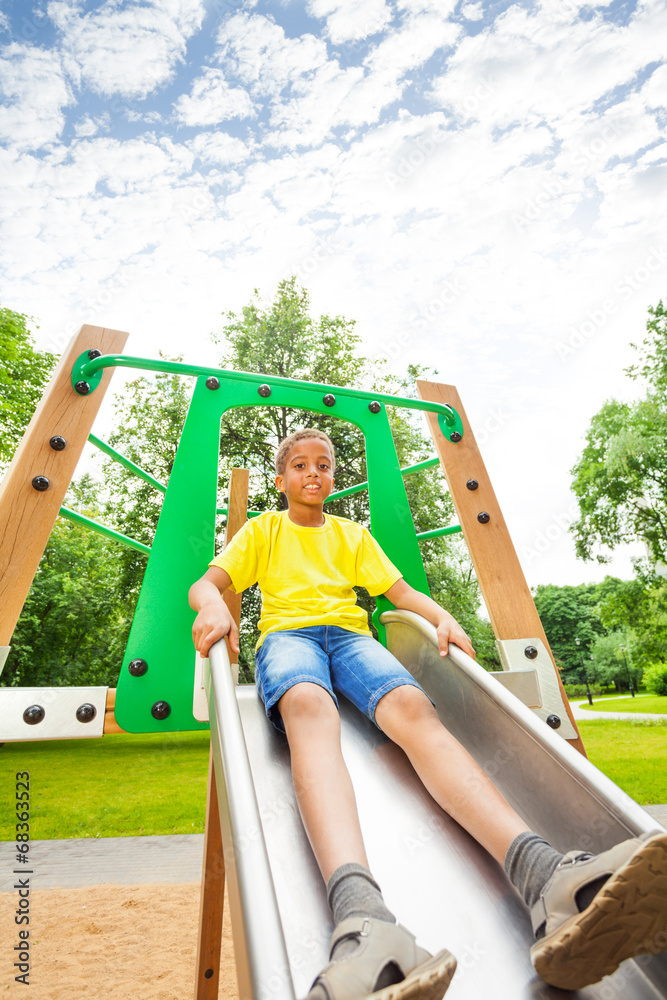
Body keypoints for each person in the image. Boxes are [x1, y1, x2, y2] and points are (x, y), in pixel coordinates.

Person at [189, 428, 667, 1000]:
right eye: (299, 465)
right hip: (288, 637)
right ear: (281, 478)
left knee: (414, 708)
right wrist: (216, 604)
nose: (312, 474)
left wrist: (440, 615)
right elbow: (206, 583)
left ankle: (546, 876)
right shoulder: (264, 531)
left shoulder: (351, 534)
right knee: (309, 707)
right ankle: (363, 920)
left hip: (349, 637)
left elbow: (400, 594)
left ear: (333, 478)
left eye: (323, 465)